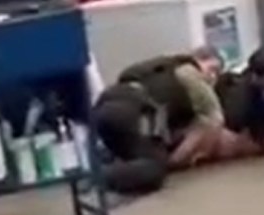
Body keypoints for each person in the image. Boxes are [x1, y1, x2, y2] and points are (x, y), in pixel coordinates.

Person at [92, 48, 240, 172]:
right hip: (135, 110)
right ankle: (104, 178)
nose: (212, 77)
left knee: (137, 153)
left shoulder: (164, 69)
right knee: (152, 168)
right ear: (199, 59)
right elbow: (214, 119)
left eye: (217, 74)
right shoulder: (190, 71)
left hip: (106, 104)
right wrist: (175, 161)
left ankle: (109, 164)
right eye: (212, 69)